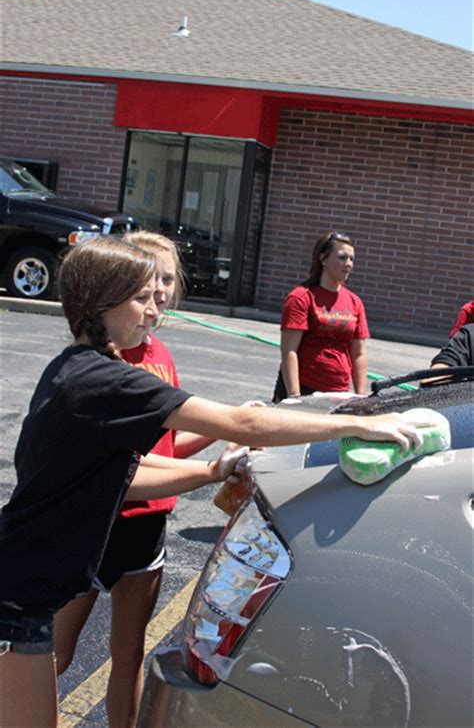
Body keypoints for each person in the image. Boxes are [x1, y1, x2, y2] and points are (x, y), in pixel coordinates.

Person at [0, 237, 434, 728]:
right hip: (17, 599)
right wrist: (355, 424)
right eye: (141, 297)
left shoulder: (76, 371)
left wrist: (214, 472)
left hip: (24, 591)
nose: (152, 308)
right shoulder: (107, 380)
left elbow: (128, 472)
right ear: (104, 303)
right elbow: (238, 423)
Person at [52, 232, 214, 728]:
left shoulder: (161, 354)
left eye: (167, 279)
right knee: (53, 652)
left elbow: (163, 450)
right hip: (95, 523)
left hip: (147, 530)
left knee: (129, 655)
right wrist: (219, 458)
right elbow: (124, 469)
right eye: (148, 282)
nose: (159, 291)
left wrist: (220, 444)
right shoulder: (106, 357)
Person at [273, 231, 369, 403]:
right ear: (323, 259)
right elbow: (289, 350)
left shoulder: (355, 302)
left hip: (338, 393)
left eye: (352, 259)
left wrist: (361, 398)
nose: (348, 264)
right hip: (304, 389)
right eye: (342, 257)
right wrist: (294, 397)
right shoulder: (301, 297)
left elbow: (359, 353)